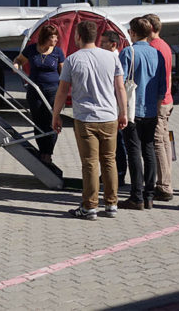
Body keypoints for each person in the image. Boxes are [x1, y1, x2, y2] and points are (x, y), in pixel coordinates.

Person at [52, 20, 128, 220]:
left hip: (85, 118)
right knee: (109, 160)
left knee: (90, 163)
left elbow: (62, 91)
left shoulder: (72, 60)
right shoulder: (111, 58)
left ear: (78, 36)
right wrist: (124, 112)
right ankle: (112, 204)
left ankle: (89, 206)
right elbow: (120, 88)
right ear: (95, 36)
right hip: (109, 116)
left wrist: (56, 114)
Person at [118, 17, 167, 210]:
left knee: (134, 152)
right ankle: (149, 195)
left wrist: (120, 110)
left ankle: (136, 196)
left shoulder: (128, 52)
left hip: (132, 110)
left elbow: (120, 84)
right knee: (149, 151)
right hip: (151, 110)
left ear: (132, 32)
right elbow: (163, 86)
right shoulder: (157, 54)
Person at [13, 24, 65, 165]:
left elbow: (63, 73)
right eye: (52, 37)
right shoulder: (31, 49)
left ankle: (48, 153)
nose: (55, 40)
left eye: (56, 37)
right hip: (35, 90)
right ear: (45, 38)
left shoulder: (57, 52)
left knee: (51, 122)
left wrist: (64, 92)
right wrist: (17, 65)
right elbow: (19, 59)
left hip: (52, 91)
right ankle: (42, 151)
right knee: (38, 122)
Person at [144, 13, 175, 202]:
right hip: (167, 99)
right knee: (164, 142)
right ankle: (166, 180)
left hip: (159, 102)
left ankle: (164, 186)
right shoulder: (164, 45)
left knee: (157, 143)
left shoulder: (153, 48)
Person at [99, 31, 128, 185]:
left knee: (118, 144)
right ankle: (109, 174)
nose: (100, 45)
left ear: (113, 44)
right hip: (109, 107)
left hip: (115, 108)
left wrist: (123, 112)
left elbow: (120, 87)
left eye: (104, 42)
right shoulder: (107, 58)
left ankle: (120, 174)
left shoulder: (117, 59)